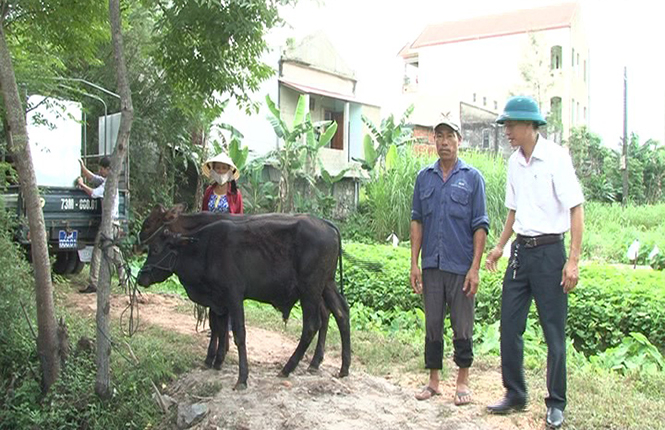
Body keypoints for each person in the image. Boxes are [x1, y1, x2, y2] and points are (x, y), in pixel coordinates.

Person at [485, 96, 584, 429]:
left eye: (511, 125)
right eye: (506, 126)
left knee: (554, 333)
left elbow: (576, 208)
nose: (507, 131)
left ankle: (556, 404)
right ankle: (515, 393)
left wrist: (572, 261)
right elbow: (513, 211)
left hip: (549, 254)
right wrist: (500, 246)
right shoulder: (514, 162)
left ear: (530, 125)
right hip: (520, 254)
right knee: (510, 327)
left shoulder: (556, 158)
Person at [410, 117, 489, 405]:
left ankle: (463, 381)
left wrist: (475, 268)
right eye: (439, 136)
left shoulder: (472, 178)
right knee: (432, 324)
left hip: (460, 267)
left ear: (459, 140)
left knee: (462, 325)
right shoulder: (424, 178)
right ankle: (433, 381)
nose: (444, 142)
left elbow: (480, 225)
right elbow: (417, 222)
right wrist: (414, 263)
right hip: (432, 265)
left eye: (449, 136)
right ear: (434, 140)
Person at [76, 156, 125, 294]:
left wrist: (81, 184)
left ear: (108, 169)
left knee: (97, 252)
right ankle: (123, 278)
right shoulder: (109, 181)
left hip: (108, 224)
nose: (100, 171)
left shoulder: (107, 185)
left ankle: (94, 282)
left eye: (102, 169)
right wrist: (82, 167)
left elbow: (92, 193)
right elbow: (93, 178)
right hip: (115, 223)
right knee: (114, 250)